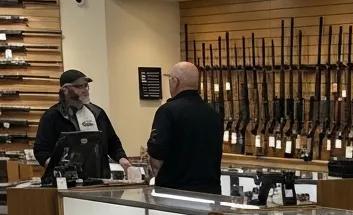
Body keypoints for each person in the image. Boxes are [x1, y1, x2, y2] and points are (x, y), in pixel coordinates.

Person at [146, 61, 222, 194]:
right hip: (210, 193)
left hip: (175, 193)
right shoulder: (213, 114)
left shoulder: (167, 111)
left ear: (175, 81)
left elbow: (157, 156)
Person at [33, 69, 130, 172]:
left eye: (86, 85)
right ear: (65, 89)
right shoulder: (52, 116)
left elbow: (112, 142)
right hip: (66, 180)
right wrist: (54, 167)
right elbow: (41, 150)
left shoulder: (98, 113)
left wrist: (121, 158)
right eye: (79, 86)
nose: (85, 90)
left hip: (99, 177)